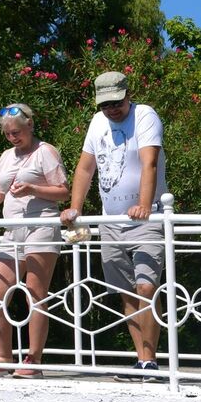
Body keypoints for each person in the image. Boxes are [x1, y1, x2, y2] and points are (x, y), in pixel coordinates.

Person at [63, 71, 168, 380]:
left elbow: (149, 162)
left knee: (147, 287)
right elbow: (85, 168)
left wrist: (145, 205)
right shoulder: (98, 123)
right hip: (111, 222)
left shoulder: (145, 116)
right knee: (126, 294)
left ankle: (150, 362)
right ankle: (142, 360)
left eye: (116, 102)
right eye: (105, 104)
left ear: (127, 94)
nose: (111, 109)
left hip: (145, 218)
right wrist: (75, 209)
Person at [0, 103, 68, 377]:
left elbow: (63, 192)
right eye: (9, 134)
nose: (13, 138)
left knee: (35, 294)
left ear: (30, 125)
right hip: (12, 233)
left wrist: (33, 188)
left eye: (18, 132)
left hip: (41, 228)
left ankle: (33, 359)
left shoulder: (45, 152)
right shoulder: (6, 156)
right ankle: (4, 357)